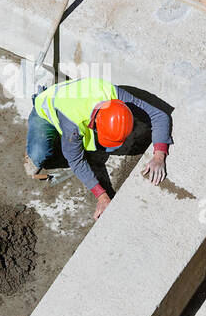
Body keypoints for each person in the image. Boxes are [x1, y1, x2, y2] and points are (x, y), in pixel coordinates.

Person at [26, 76, 172, 220]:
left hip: (70, 97)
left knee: (97, 146)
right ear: (94, 124)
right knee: (39, 155)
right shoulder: (73, 122)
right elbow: (76, 161)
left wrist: (159, 155)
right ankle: (45, 136)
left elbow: (159, 116)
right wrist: (102, 197)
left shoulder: (115, 94)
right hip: (45, 109)